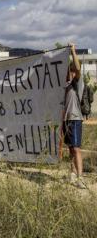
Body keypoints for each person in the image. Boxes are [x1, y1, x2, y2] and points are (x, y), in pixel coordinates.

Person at [64, 44, 86, 189]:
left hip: (75, 119)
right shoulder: (65, 85)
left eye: (71, 70)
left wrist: (72, 51)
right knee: (71, 148)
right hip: (66, 120)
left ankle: (80, 177)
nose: (71, 72)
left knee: (76, 148)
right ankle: (72, 173)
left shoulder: (77, 83)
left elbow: (78, 68)